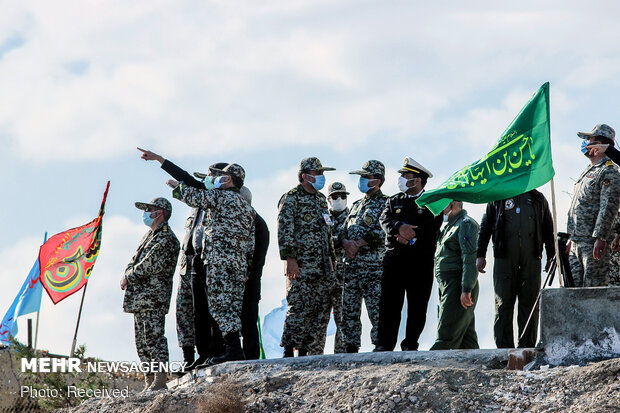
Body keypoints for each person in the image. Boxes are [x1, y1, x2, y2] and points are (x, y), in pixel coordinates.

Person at [137, 148, 225, 369]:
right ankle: (189, 356)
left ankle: (212, 351)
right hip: (189, 265)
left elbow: (185, 179)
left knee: (207, 311)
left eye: (211, 178)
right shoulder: (198, 203)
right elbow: (184, 177)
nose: (205, 182)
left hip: (208, 263)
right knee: (185, 313)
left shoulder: (221, 201)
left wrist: (160, 160)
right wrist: (160, 160)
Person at [171, 163, 255, 365]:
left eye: (222, 176)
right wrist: (247, 267)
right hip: (238, 265)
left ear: (228, 179)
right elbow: (250, 243)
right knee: (233, 307)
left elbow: (195, 197)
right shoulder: (248, 208)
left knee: (218, 307)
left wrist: (177, 186)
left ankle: (233, 349)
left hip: (218, 263)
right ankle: (234, 349)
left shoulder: (220, 197)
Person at [375, 157, 442, 352]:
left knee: (417, 305)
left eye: (406, 175)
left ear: (418, 180)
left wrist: (411, 237)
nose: (402, 178)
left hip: (419, 262)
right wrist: (399, 228)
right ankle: (384, 344)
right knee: (389, 304)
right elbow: (384, 219)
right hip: (394, 260)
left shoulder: (431, 201)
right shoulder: (394, 200)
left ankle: (410, 343)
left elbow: (431, 228)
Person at [476, 190, 555, 348]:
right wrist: (480, 254)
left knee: (530, 302)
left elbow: (548, 229)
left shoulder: (538, 198)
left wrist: (552, 255)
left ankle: (527, 346)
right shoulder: (497, 196)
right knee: (503, 302)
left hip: (531, 258)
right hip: (504, 258)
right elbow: (485, 227)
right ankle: (504, 348)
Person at [278, 157, 336, 357]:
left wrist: (332, 258)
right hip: (301, 265)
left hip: (321, 265)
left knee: (316, 308)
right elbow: (285, 230)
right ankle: (288, 350)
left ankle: (304, 350)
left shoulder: (320, 199)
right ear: (305, 176)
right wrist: (290, 259)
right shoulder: (291, 198)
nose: (321, 177)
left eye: (322, 173)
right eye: (317, 173)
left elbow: (326, 231)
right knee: (298, 306)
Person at [121, 197, 180, 391]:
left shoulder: (166, 238)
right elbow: (133, 260)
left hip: (153, 298)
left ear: (160, 212)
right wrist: (128, 272)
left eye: (150, 209)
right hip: (139, 298)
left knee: (154, 339)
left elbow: (149, 264)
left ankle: (160, 379)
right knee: (141, 342)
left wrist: (129, 275)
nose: (146, 212)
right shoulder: (148, 236)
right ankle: (149, 379)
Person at [340, 161, 388, 353]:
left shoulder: (386, 203)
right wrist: (346, 243)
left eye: (365, 177)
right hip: (351, 267)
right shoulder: (356, 205)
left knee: (376, 309)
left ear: (377, 180)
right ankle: (350, 346)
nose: (361, 180)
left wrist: (358, 244)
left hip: (373, 268)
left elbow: (384, 232)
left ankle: (380, 345)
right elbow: (343, 230)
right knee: (349, 309)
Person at [567, 124, 620, 287]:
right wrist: (571, 237)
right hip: (577, 241)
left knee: (593, 291)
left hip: (593, 242)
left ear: (601, 144)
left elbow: (608, 207)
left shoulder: (608, 171)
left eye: (590, 140)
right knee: (574, 292)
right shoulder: (588, 171)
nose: (586, 143)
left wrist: (601, 237)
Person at [430, 201, 480, 350]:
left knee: (446, 334)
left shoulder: (465, 224)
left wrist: (466, 288)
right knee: (466, 338)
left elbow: (469, 257)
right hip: (447, 284)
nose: (440, 211)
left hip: (457, 284)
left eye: (442, 206)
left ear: (451, 205)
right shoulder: (449, 227)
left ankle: (431, 367)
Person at [309, 182, 349, 355]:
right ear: (328, 199)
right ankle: (313, 355)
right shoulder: (320, 218)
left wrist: (335, 240)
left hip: (344, 277)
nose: (339, 199)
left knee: (344, 319)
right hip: (322, 276)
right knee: (318, 318)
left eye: (343, 196)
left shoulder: (353, 216)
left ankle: (341, 355)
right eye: (335, 196)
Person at [239, 186, 270, 360]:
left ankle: (251, 357)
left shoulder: (257, 223)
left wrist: (248, 273)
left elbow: (258, 255)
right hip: (238, 279)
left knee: (249, 321)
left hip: (250, 280)